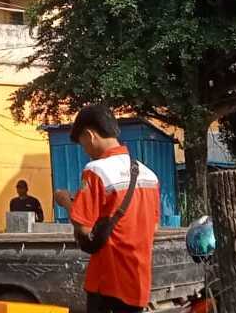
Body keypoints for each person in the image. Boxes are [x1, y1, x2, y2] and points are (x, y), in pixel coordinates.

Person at [53, 106, 160, 313]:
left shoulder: (96, 170)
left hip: (108, 280)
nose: (85, 150)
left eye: (82, 143)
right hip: (138, 280)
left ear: (90, 135)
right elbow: (153, 228)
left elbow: (83, 226)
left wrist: (65, 201)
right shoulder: (149, 175)